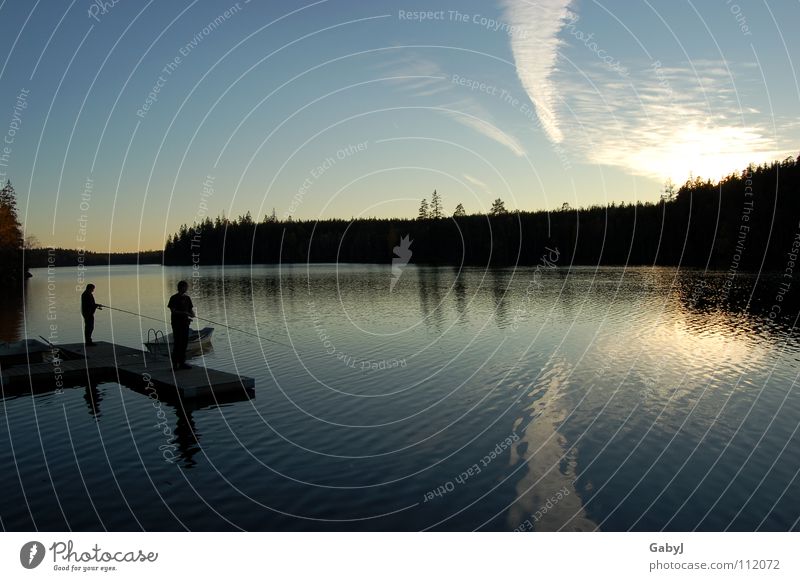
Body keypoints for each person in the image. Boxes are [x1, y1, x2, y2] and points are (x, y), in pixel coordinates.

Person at [167, 280, 195, 370]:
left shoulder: (187, 298)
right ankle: (175, 365)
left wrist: (192, 314)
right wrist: (185, 313)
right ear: (181, 287)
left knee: (184, 344)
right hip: (176, 324)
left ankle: (182, 363)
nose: (187, 288)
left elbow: (190, 310)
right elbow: (173, 311)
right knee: (177, 344)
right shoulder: (174, 298)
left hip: (185, 324)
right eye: (186, 287)